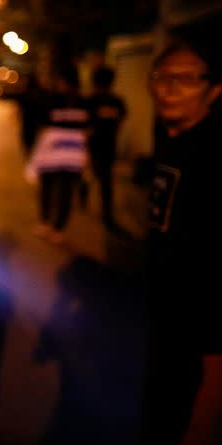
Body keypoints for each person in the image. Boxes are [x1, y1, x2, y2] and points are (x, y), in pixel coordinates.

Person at [140, 34, 222, 444]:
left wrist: (209, 404)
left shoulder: (213, 156)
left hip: (198, 340)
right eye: (162, 76)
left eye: (187, 78)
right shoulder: (173, 141)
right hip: (165, 322)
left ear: (215, 89)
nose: (169, 88)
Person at [26, 61, 90, 245]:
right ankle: (58, 229)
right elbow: (88, 131)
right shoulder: (84, 103)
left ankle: (45, 223)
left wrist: (36, 153)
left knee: (47, 188)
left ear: (62, 80)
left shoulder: (51, 100)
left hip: (51, 154)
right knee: (66, 192)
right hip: (74, 156)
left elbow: (42, 128)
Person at [85, 65, 128, 232]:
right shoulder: (117, 101)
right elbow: (121, 120)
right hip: (108, 144)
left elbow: (85, 123)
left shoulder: (90, 100)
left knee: (94, 175)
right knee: (105, 179)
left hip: (94, 145)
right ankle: (107, 215)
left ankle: (87, 197)